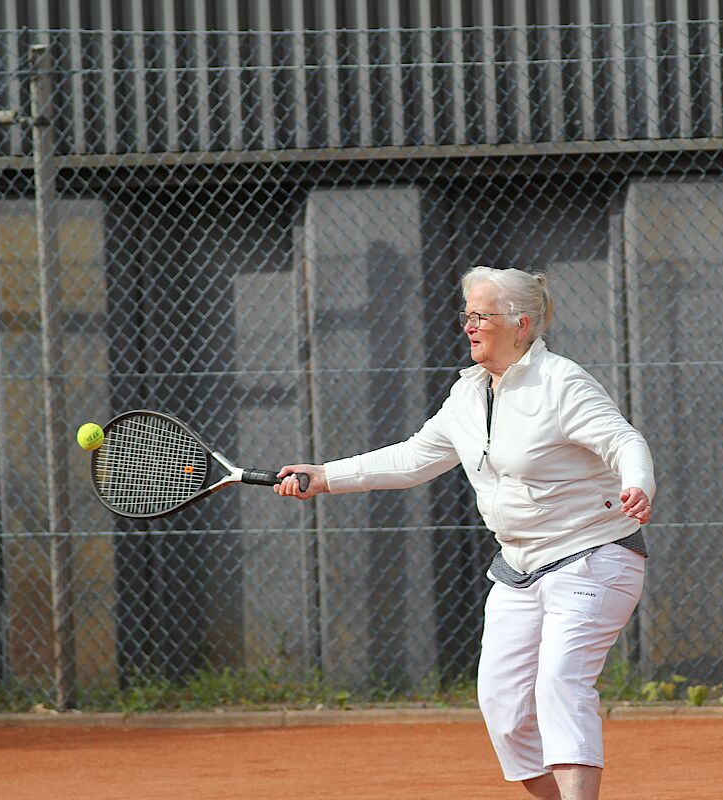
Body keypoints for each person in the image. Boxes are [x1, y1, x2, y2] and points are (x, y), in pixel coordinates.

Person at [274, 265, 655, 800]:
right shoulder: (469, 394)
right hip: (517, 567)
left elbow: (624, 441)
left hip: (592, 553)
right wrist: (325, 476)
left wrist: (638, 484)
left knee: (560, 684)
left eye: (482, 316)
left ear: (521, 325)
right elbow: (413, 458)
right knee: (503, 709)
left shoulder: (561, 383)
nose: (469, 326)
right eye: (467, 315)